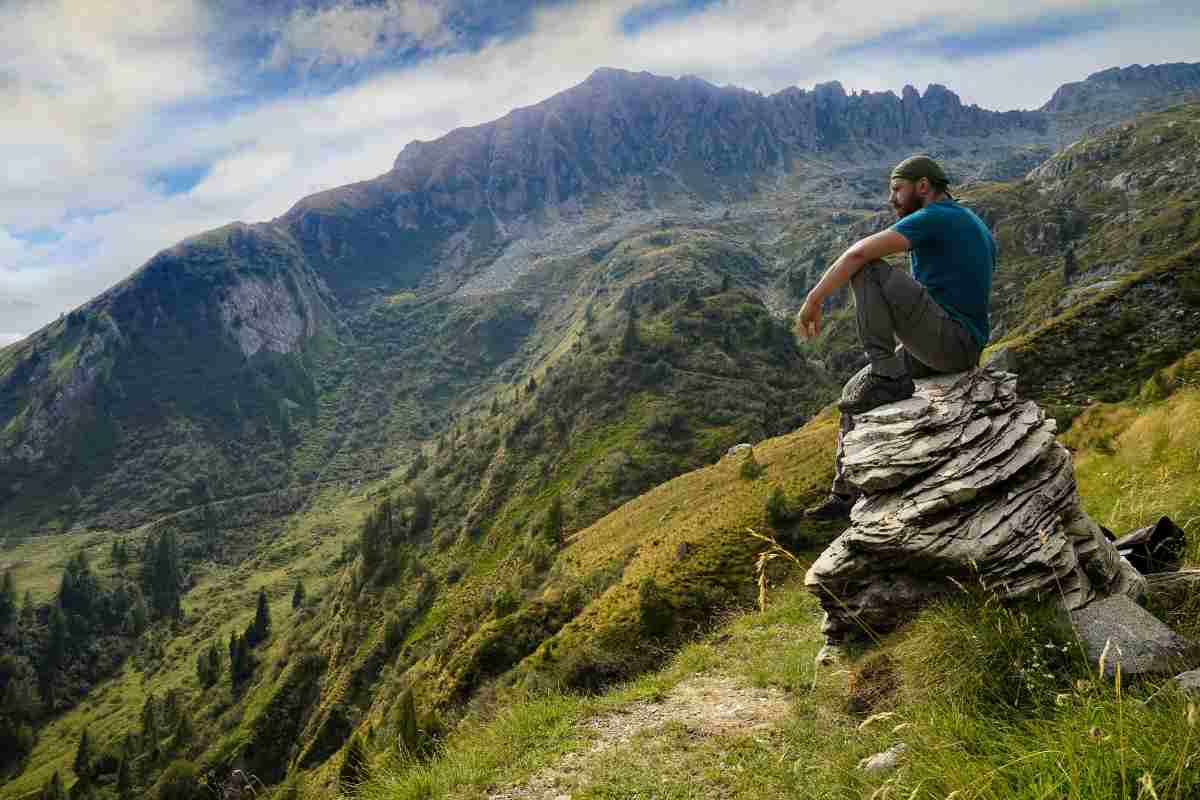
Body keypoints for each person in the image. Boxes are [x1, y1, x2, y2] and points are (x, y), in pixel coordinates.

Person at [798, 155, 995, 521]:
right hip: (955, 344)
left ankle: (886, 372)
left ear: (923, 186)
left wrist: (813, 300)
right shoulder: (972, 222)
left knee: (868, 269)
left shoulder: (938, 216)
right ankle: (845, 493)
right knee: (855, 390)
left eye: (897, 190)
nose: (892, 199)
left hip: (950, 340)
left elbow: (857, 253)